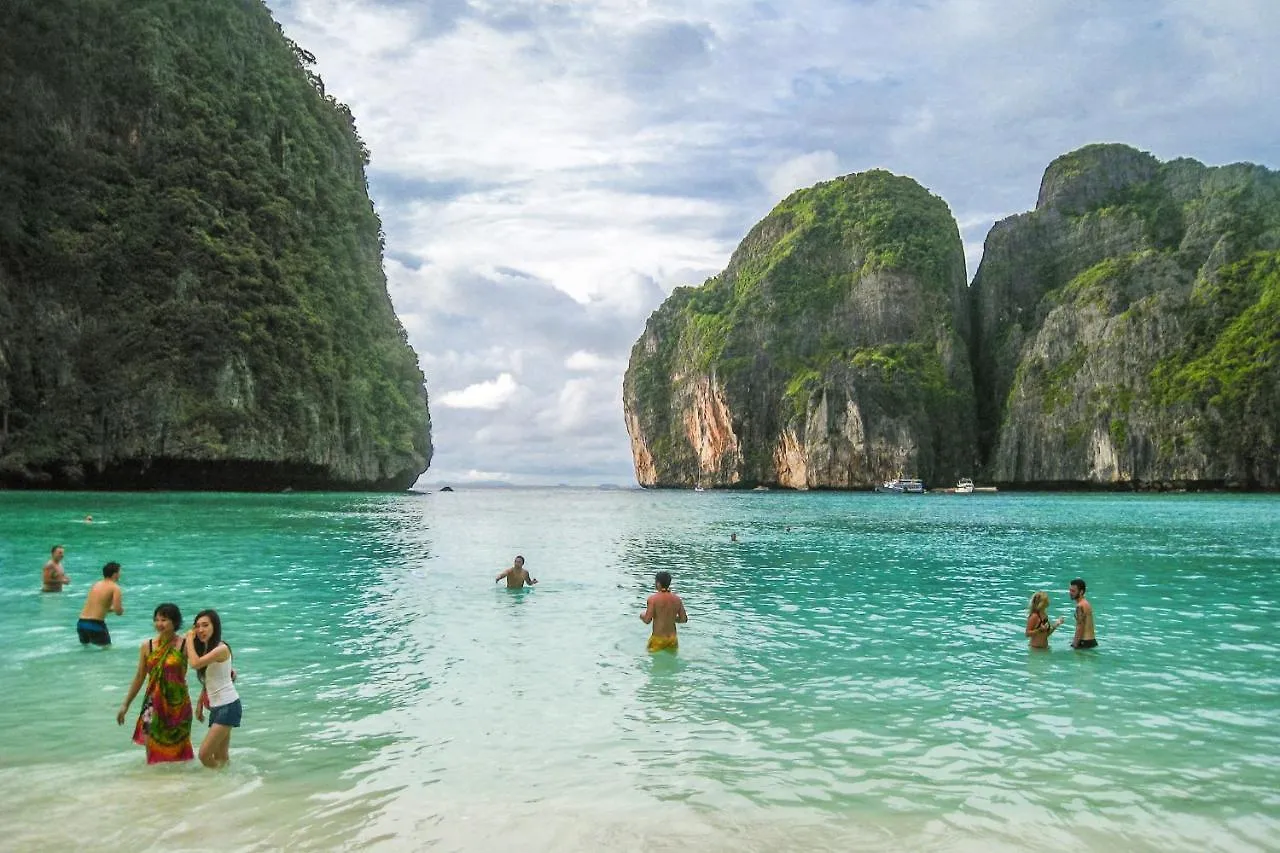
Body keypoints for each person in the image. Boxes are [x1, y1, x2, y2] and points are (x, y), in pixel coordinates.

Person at [117, 603, 194, 764]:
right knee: (151, 744)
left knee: (178, 749)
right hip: (152, 703)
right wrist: (125, 705)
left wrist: (228, 671)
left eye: (164, 620)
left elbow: (203, 665)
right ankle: (152, 783)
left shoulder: (185, 645)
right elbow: (139, 677)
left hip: (177, 704)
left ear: (175, 622)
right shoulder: (148, 646)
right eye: (156, 620)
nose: (159, 624)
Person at [185, 610, 240, 768]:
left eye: (205, 625)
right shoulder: (208, 649)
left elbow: (195, 663)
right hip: (218, 707)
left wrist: (189, 639)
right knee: (221, 757)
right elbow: (212, 679)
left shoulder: (221, 649)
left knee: (204, 755)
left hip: (228, 706)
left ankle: (220, 778)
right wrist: (200, 703)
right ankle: (228, 784)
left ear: (215, 627)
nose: (200, 630)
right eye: (197, 627)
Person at [76, 562, 124, 646]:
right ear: (115, 574)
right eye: (119, 572)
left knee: (86, 651)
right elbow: (118, 611)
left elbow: (97, 605)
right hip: (95, 625)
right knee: (107, 650)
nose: (120, 574)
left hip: (81, 623)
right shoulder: (115, 587)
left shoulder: (96, 584)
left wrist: (110, 609)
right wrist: (121, 610)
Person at [640, 570, 688, 652]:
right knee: (671, 663)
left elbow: (647, 620)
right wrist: (671, 618)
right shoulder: (677, 599)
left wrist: (641, 616)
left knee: (655, 662)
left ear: (658, 583)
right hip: (672, 639)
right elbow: (684, 619)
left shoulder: (653, 599)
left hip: (658, 639)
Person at [1068, 578, 1097, 649]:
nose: (1070, 593)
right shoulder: (1086, 603)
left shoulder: (1080, 606)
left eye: (1073, 591)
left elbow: (1080, 627)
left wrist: (1074, 645)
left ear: (1081, 592)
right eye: (1070, 590)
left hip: (1084, 642)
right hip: (1091, 641)